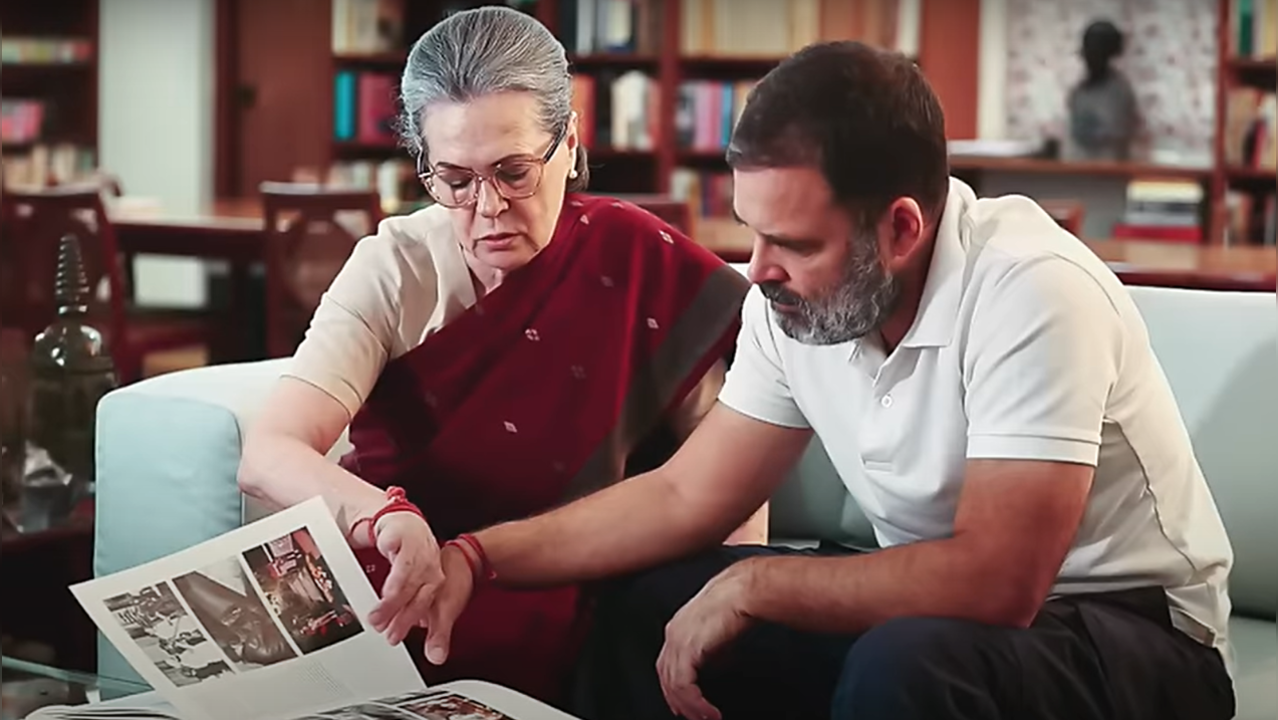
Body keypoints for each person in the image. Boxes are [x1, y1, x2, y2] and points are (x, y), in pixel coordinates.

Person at [412, 41, 1238, 720]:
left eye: (796, 243)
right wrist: (478, 557)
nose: (758, 272)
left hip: (1136, 639)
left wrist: (761, 581)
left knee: (906, 662)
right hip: (942, 622)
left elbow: (998, 581)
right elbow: (681, 498)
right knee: (648, 602)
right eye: (752, 232)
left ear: (902, 229)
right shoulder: (794, 301)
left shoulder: (1032, 288)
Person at [236, 5, 764, 706]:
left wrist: (727, 592)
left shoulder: (635, 259)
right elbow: (268, 451)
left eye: (514, 172)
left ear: (570, 143)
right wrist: (382, 515)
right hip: (410, 566)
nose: (487, 207)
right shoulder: (397, 267)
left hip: (584, 572)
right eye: (453, 178)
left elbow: (729, 476)